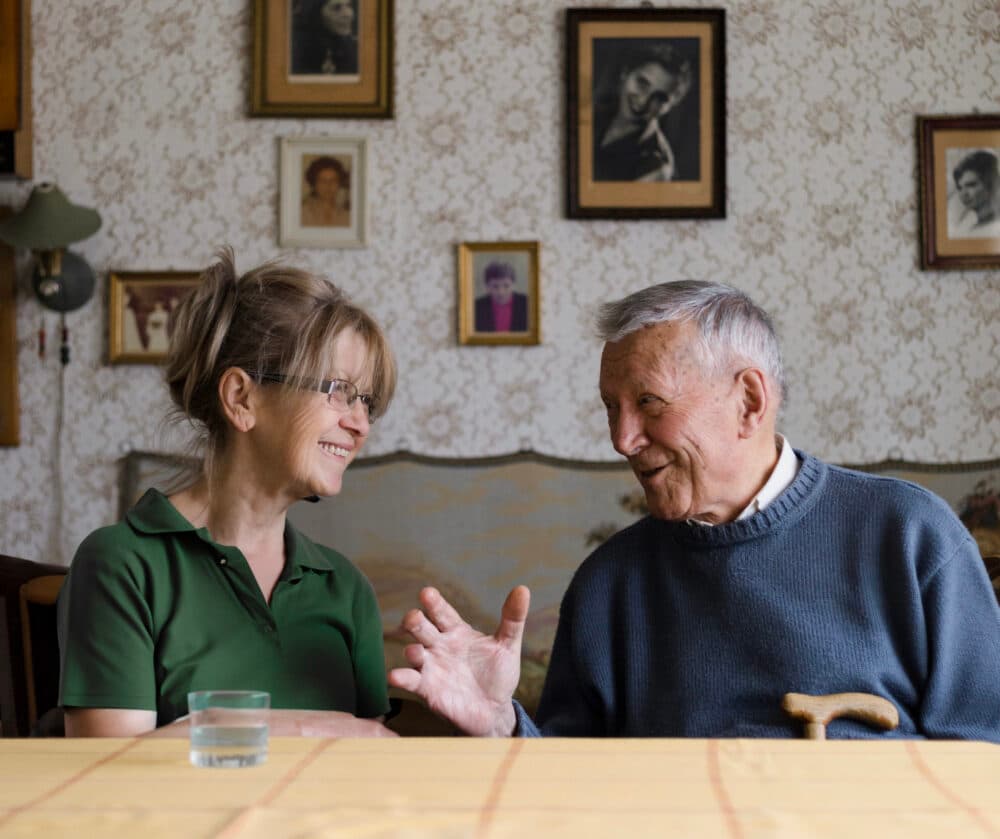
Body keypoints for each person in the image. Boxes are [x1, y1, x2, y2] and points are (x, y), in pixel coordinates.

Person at [389, 280, 1000, 741]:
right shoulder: (610, 583)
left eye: (649, 402)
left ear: (749, 401)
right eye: (611, 408)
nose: (622, 439)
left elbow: (984, 759)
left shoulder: (911, 537)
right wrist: (503, 725)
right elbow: (568, 794)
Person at [58, 249, 398, 738]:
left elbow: (366, 761)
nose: (360, 424)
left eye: (367, 401)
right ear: (242, 398)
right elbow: (107, 770)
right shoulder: (121, 564)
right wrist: (307, 727)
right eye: (339, 390)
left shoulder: (345, 589)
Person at [592, 41, 698, 183]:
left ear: (670, 106)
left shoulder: (654, 168)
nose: (643, 101)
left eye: (660, 97)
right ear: (625, 73)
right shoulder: (594, 112)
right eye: (642, 83)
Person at [290, 0, 358, 76]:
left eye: (349, 6)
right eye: (336, 8)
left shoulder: (350, 45)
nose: (348, 14)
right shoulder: (295, 49)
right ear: (316, 13)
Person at [948, 149, 1000, 238]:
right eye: (959, 188)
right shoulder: (966, 229)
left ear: (990, 184)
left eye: (971, 185)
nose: (963, 193)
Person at [474, 261, 528, 333]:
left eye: (506, 286)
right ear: (487, 287)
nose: (501, 292)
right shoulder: (476, 307)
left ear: (514, 285)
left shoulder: (527, 304)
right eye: (495, 286)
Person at [301, 156, 351, 228]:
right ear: (314, 184)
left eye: (333, 180)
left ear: (339, 183)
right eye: (322, 181)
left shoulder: (348, 216)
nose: (328, 185)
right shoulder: (302, 213)